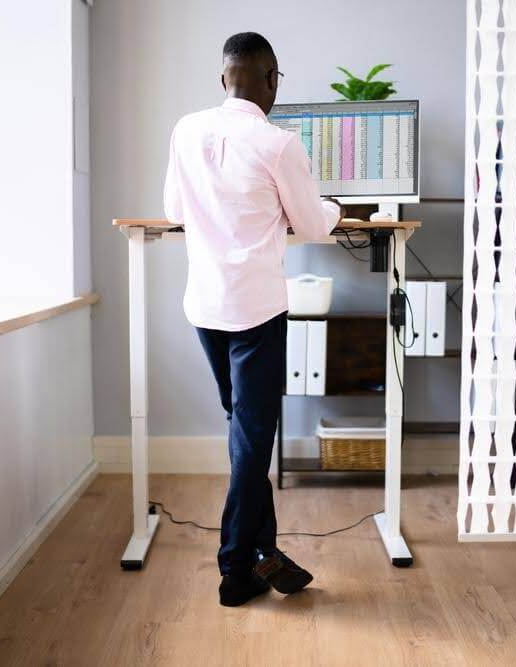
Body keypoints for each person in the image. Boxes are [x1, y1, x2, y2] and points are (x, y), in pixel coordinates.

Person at [163, 32, 342, 607]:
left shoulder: (186, 129)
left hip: (205, 307)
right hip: (255, 311)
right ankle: (235, 569)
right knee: (252, 434)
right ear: (271, 81)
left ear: (224, 79)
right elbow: (312, 225)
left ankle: (264, 550)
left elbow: (173, 210)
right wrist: (336, 207)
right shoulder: (279, 143)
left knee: (243, 429)